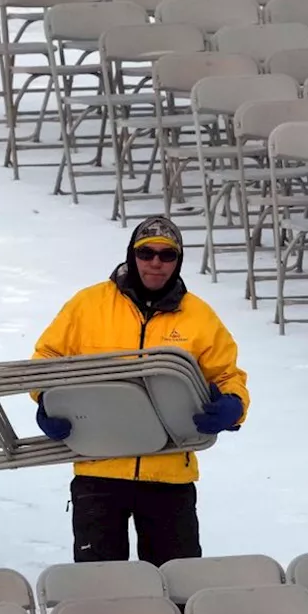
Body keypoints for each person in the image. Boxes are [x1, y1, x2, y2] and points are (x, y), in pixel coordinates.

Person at [31, 215, 250, 572]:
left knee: (177, 585)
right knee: (100, 589)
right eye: (146, 252)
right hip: (99, 465)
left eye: (167, 255)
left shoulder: (199, 316)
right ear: (132, 255)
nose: (156, 262)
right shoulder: (87, 305)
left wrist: (233, 405)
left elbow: (227, 374)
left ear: (178, 261)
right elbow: (46, 360)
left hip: (169, 472)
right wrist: (46, 399)